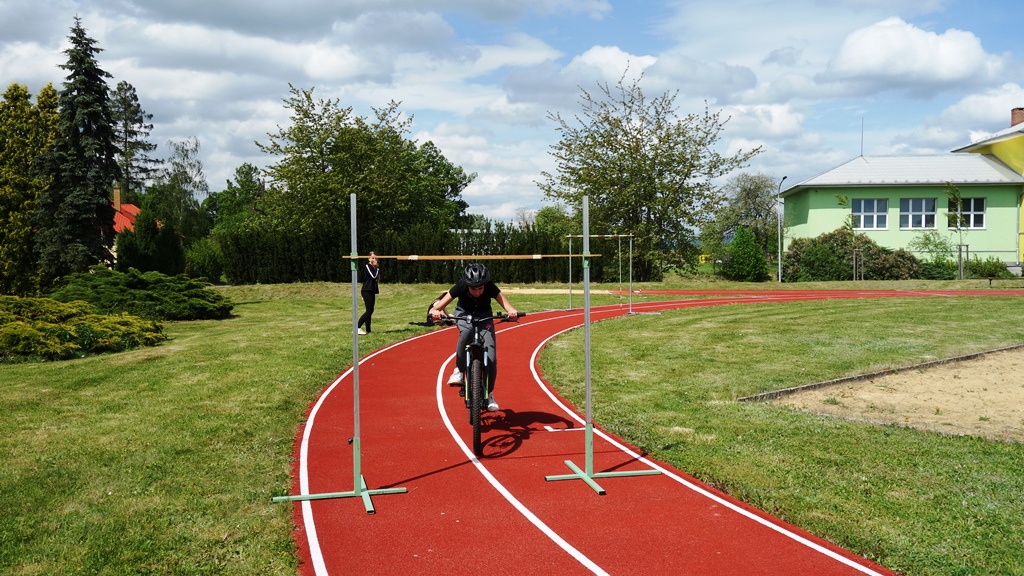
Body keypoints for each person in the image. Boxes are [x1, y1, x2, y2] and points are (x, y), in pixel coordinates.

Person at [429, 263, 518, 411]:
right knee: (467, 331)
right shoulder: (461, 286)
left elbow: (508, 306)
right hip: (463, 315)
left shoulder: (490, 287)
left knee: (491, 358)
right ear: (467, 285)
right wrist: (435, 312)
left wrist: (512, 312)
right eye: (473, 289)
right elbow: (436, 307)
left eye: (480, 288)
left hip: (484, 317)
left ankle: (489, 394)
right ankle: (458, 371)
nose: (477, 292)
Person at [356, 252, 380, 335]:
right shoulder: (368, 266)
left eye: (376, 258)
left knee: (369, 310)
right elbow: (373, 276)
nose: (374, 260)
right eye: (372, 258)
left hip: (371, 290)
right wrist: (377, 268)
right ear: (369, 259)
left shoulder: (374, 268)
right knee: (370, 311)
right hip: (367, 290)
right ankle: (357, 327)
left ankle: (368, 330)